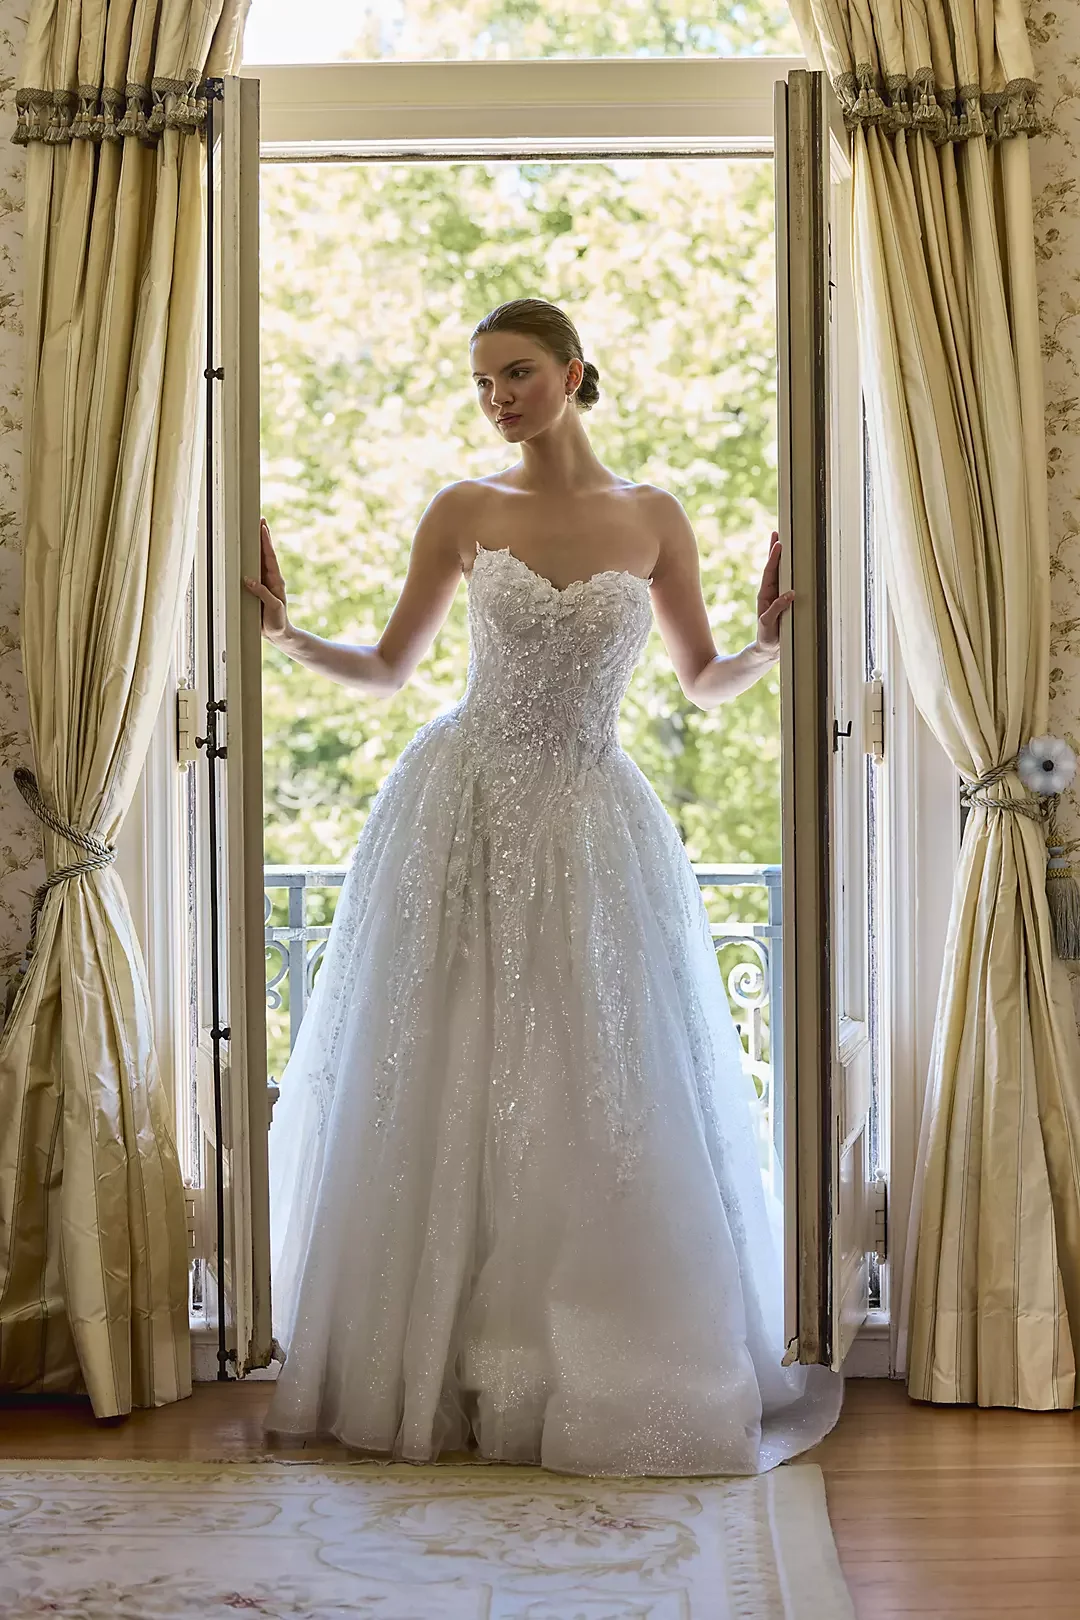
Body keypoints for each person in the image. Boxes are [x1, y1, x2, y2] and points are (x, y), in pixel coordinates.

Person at [244, 296, 842, 1476]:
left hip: (589, 814)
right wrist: (280, 634)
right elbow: (385, 667)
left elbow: (705, 678)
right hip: (461, 807)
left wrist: (772, 643)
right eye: (481, 382)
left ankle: (586, 1365)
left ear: (574, 372)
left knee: (597, 1073)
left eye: (516, 374)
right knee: (450, 1064)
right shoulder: (467, 509)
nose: (497, 399)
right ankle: (444, 1366)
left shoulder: (654, 514)